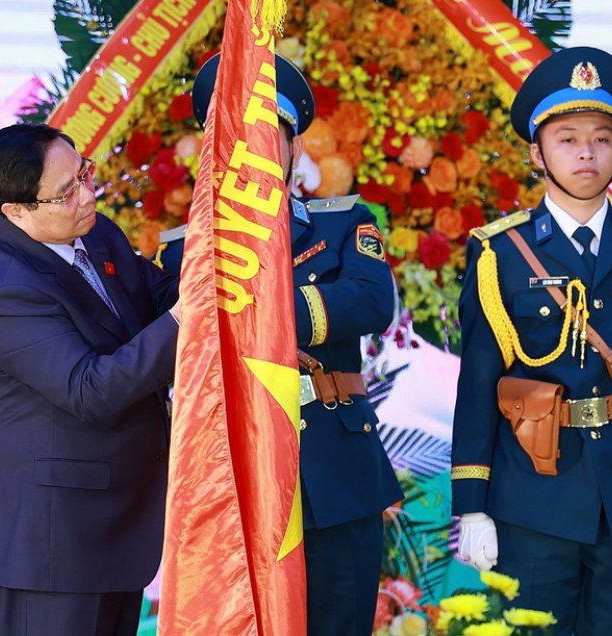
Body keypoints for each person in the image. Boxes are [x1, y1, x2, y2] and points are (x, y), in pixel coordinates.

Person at [451, 46, 612, 635]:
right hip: (534, 497)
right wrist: (473, 503)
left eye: (601, 137)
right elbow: (479, 383)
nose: (586, 152)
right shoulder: (500, 252)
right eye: (567, 138)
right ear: (537, 153)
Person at [155, 53, 403, 636]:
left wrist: (256, 307)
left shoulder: (342, 223)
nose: (259, 154)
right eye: (241, 139)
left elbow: (370, 302)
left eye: (274, 138)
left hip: (335, 473)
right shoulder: (182, 251)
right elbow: (180, 345)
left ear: (294, 151)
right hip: (231, 475)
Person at [0, 122, 180, 636]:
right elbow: (91, 389)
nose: (87, 195)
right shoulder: (6, 291)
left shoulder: (96, 231)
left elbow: (154, 297)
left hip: (116, 525)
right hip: (55, 542)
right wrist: (189, 318)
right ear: (16, 211)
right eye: (66, 192)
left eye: (84, 173)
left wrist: (212, 271)